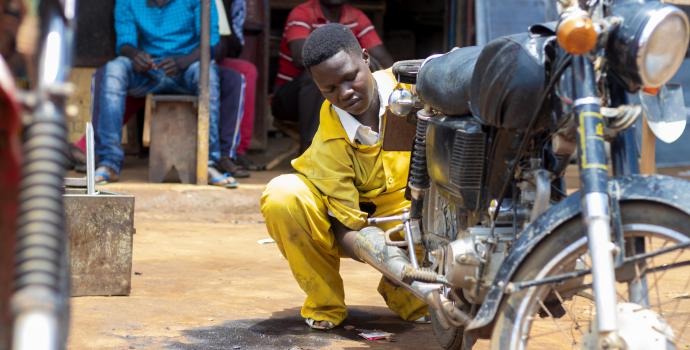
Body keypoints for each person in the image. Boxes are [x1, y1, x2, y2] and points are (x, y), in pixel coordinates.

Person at [260, 24, 426, 330]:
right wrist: (382, 255)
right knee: (282, 195)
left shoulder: (413, 89)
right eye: (330, 89)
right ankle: (326, 303)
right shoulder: (328, 143)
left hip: (422, 215)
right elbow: (345, 226)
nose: (345, 93)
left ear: (365, 57)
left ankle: (404, 292)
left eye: (351, 77)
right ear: (317, 85)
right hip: (369, 225)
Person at [93, 0, 236, 187]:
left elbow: (211, 43)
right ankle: (109, 162)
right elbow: (125, 42)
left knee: (206, 73)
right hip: (148, 71)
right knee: (114, 69)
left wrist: (182, 62)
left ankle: (207, 163)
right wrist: (135, 55)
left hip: (188, 67)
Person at [272, 0, 393, 152]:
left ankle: (369, 143)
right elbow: (299, 57)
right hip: (289, 99)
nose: (346, 92)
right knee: (322, 73)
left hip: (331, 96)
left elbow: (383, 60)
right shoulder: (303, 13)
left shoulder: (356, 17)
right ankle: (310, 147)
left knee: (363, 73)